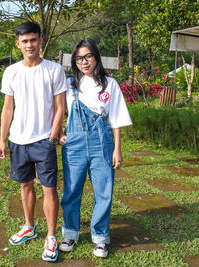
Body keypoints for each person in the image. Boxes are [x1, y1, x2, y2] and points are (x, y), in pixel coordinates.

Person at [0, 21, 67, 262]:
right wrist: (2, 139)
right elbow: (8, 108)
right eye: (24, 41)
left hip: (43, 140)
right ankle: (29, 226)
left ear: (40, 41)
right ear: (18, 44)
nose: (29, 45)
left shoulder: (54, 70)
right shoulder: (11, 72)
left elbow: (60, 107)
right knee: (24, 185)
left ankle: (50, 236)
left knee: (49, 188)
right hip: (18, 140)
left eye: (33, 40)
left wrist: (53, 136)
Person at [58, 39, 132, 258]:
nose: (84, 62)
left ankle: (100, 238)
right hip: (75, 144)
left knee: (104, 192)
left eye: (88, 56)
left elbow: (116, 119)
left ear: (96, 57)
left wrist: (117, 149)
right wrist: (60, 134)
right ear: (74, 61)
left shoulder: (110, 84)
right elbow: (57, 111)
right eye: (79, 58)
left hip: (103, 142)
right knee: (72, 191)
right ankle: (70, 233)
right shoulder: (69, 85)